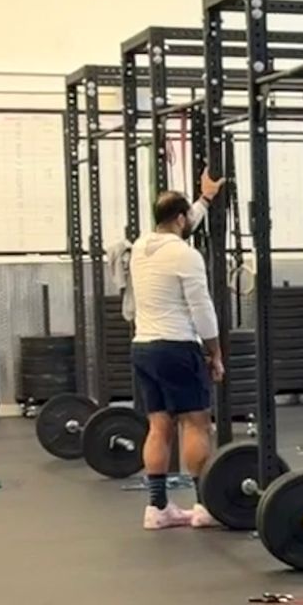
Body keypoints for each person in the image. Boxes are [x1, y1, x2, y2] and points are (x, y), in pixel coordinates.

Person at [126, 174, 226, 530]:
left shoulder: (140, 248)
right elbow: (202, 309)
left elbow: (183, 224)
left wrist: (205, 199)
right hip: (177, 347)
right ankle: (204, 507)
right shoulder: (186, 255)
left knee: (159, 426)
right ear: (180, 220)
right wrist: (215, 353)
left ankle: (157, 508)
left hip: (143, 348)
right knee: (197, 425)